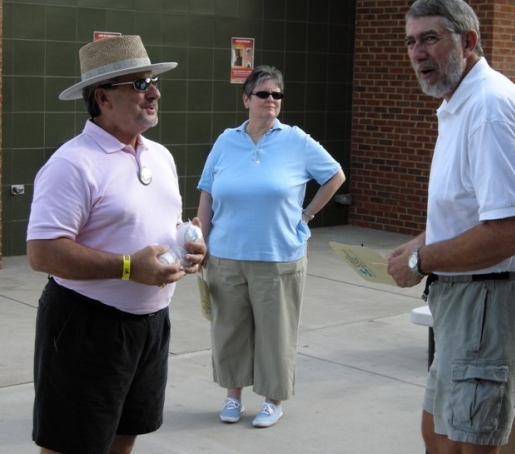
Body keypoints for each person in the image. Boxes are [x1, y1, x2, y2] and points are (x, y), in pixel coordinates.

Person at [27, 35, 207, 454]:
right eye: (141, 84)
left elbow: (160, 222)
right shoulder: (72, 164)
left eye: (153, 82)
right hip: (86, 326)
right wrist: (128, 267)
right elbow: (42, 252)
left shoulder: (160, 156)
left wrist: (188, 245)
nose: (155, 93)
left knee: (125, 437)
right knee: (71, 445)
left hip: (150, 325)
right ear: (103, 98)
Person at [386, 0, 515, 454]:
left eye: (430, 39)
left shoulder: (489, 108)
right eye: (411, 42)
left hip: (490, 300)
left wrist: (421, 260)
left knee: (465, 446)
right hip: (466, 300)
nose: (418, 53)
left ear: (468, 41)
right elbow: (475, 209)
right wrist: (421, 242)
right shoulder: (460, 104)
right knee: (437, 436)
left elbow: (512, 232)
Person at [197, 65, 345, 428]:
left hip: (278, 256)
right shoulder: (226, 141)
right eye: (263, 93)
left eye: (277, 94)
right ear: (246, 99)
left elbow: (335, 176)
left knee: (275, 334)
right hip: (226, 255)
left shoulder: (296, 140)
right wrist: (202, 242)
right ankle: (233, 396)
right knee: (229, 330)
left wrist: (306, 216)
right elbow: (207, 194)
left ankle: (272, 401)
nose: (271, 100)